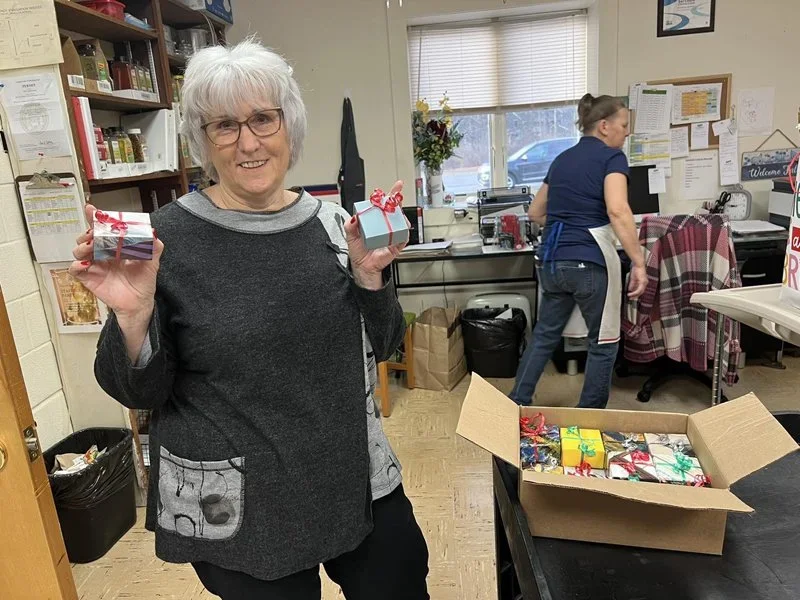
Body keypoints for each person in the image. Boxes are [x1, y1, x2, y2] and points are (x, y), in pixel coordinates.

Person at [69, 39, 429, 600]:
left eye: (263, 119)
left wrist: (369, 278)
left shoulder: (335, 225)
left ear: (289, 125)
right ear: (203, 140)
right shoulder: (161, 241)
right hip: (237, 497)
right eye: (224, 126)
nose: (248, 143)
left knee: (400, 578)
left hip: (349, 470)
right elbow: (136, 389)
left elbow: (383, 344)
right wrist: (134, 314)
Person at [509, 93, 647, 409]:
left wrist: (568, 221)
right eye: (624, 125)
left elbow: (535, 212)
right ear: (603, 126)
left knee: (545, 335)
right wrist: (638, 261)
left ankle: (516, 402)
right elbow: (617, 209)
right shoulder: (613, 158)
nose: (627, 132)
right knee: (603, 342)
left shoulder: (561, 159)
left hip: (552, 262)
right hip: (588, 261)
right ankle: (589, 421)